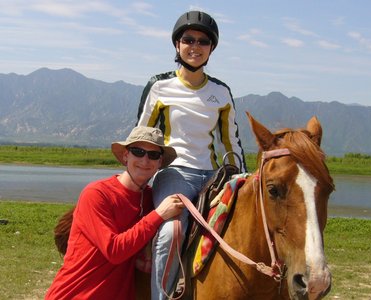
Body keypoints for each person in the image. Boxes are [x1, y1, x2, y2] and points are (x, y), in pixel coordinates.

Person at [136, 10, 247, 299]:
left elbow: (231, 142)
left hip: (213, 175)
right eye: (188, 39)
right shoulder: (159, 86)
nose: (195, 46)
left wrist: (244, 178)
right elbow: (141, 135)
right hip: (175, 173)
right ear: (177, 44)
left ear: (211, 49)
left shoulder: (221, 92)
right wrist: (135, 179)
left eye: (203, 41)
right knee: (171, 231)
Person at [45, 126, 185, 300]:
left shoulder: (152, 198)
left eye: (153, 155)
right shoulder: (97, 194)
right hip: (76, 295)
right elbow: (114, 251)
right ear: (126, 156)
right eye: (138, 152)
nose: (145, 160)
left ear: (159, 163)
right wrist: (158, 215)